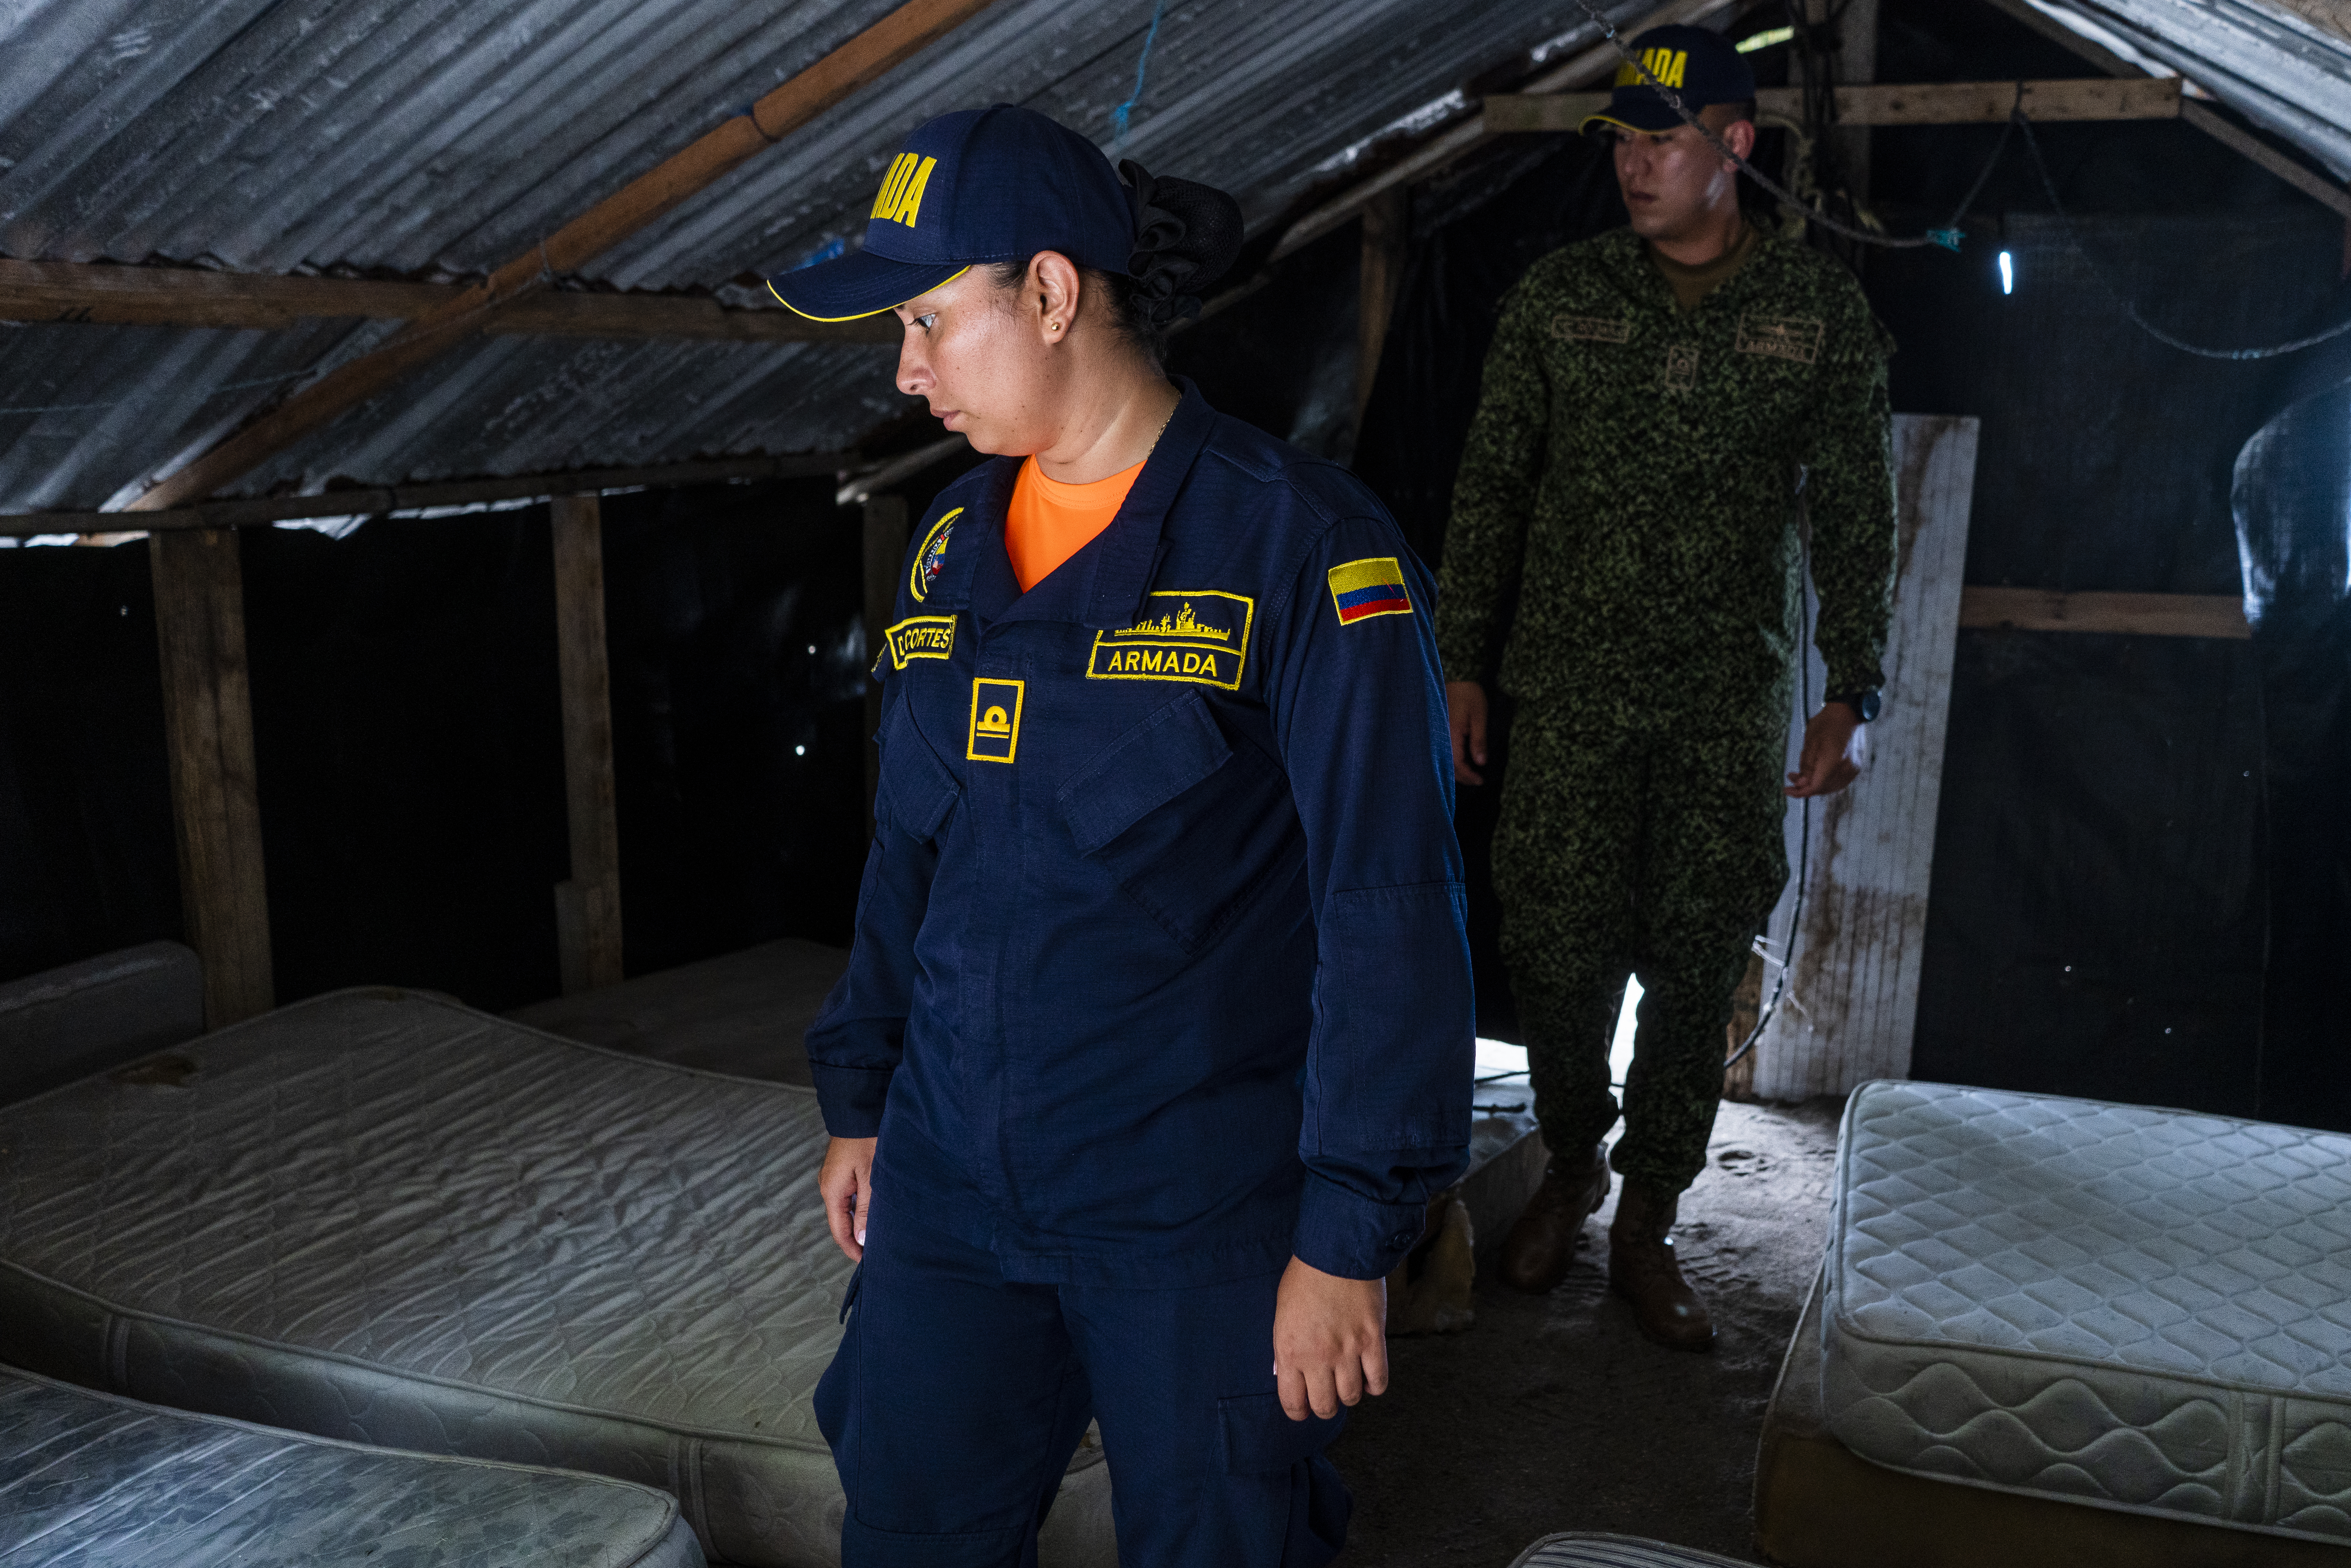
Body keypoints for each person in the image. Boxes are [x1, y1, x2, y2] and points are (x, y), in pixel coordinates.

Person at [773, 105, 1474, 1567]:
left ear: (1048, 291)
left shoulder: (1301, 549)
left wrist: (1349, 1232)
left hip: (1194, 1207)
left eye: (924, 320)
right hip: (955, 1186)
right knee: (908, 1528)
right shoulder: (951, 545)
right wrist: (862, 1090)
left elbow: (1387, 904)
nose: (904, 374)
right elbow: (910, 852)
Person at [1436, 25, 1896, 1349]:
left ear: (1731, 149)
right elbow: (1490, 486)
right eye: (1621, 143)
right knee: (1558, 953)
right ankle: (1573, 1159)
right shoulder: (1558, 296)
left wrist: (1848, 693)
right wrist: (1459, 657)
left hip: (1723, 699)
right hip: (1568, 690)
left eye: (1659, 140)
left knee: (1695, 964)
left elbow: (1857, 514)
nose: (1632, 167)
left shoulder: (1813, 315)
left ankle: (1647, 1218)